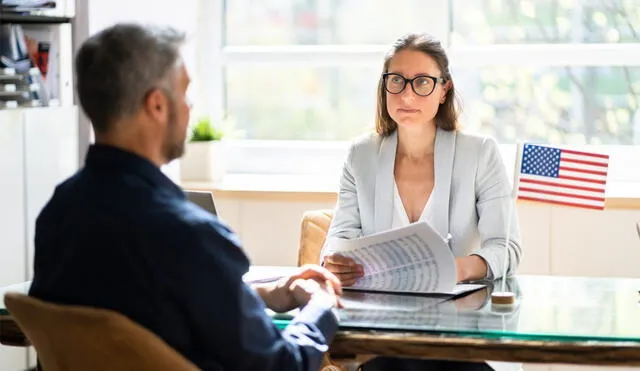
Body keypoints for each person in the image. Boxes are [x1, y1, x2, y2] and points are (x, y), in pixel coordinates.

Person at [28, 23, 342, 371]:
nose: (191, 108)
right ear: (158, 105)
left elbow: (146, 312)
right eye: (185, 93)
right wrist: (321, 308)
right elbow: (283, 367)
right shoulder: (189, 236)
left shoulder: (59, 214)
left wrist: (263, 296)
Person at [321, 33, 523, 371]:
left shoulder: (480, 153)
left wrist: (457, 268)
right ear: (384, 87)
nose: (407, 94)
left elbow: (506, 248)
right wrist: (335, 261)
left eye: (423, 82)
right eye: (396, 81)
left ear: (444, 89)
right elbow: (338, 239)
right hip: (385, 336)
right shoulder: (361, 155)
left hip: (462, 337)